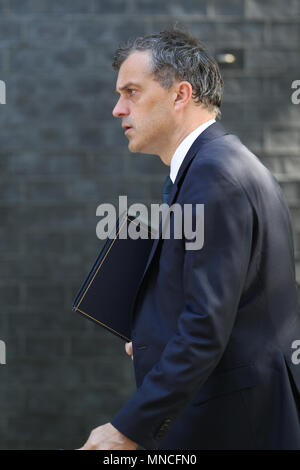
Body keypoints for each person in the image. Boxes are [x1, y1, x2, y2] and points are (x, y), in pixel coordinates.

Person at [79, 28, 300, 450]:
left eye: (131, 92)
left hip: (235, 426)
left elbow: (205, 327)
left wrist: (127, 428)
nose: (117, 109)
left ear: (180, 95)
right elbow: (225, 304)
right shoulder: (217, 165)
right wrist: (154, 337)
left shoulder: (214, 175)